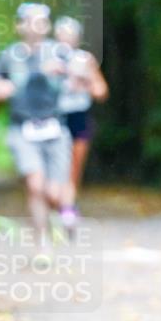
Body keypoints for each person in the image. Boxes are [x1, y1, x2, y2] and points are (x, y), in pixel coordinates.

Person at [0, 3, 71, 235]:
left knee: (53, 193)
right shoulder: (9, 56)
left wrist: (72, 73)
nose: (38, 26)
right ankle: (42, 243)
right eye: (32, 20)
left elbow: (87, 75)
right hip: (22, 129)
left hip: (55, 128)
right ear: (19, 26)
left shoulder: (60, 52)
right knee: (34, 185)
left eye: (42, 21)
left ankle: (61, 213)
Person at [53, 16, 109, 230]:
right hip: (55, 118)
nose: (66, 39)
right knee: (56, 165)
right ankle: (58, 203)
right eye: (62, 35)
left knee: (74, 165)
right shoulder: (48, 58)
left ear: (77, 38)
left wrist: (84, 80)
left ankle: (68, 207)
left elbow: (101, 92)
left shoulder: (85, 60)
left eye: (71, 35)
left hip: (78, 116)